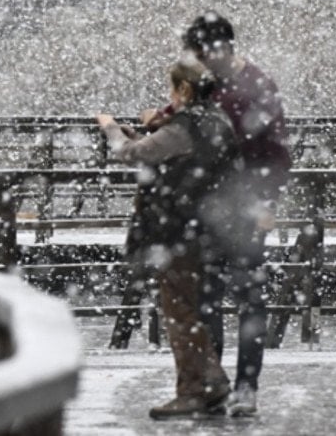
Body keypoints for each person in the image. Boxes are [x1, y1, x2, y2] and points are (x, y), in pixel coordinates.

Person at [142, 12, 292, 418]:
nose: (199, 61)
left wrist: (266, 203)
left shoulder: (255, 87)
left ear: (217, 49)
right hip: (206, 208)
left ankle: (244, 385)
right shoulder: (219, 83)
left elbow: (276, 153)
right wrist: (163, 119)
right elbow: (190, 113)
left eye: (200, 53)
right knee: (207, 298)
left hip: (242, 207)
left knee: (245, 298)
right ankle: (214, 384)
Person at [97, 59, 241, 420]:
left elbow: (131, 154)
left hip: (179, 230)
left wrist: (111, 128)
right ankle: (211, 380)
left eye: (173, 89)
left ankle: (194, 389)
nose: (170, 96)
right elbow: (167, 151)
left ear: (185, 91)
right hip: (212, 226)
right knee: (194, 307)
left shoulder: (186, 126)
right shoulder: (219, 121)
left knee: (179, 310)